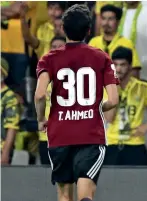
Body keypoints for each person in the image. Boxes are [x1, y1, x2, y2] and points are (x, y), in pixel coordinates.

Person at [34, 4, 119, 201]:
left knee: (64, 195)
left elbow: (39, 95)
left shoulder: (48, 58)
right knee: (86, 194)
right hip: (90, 135)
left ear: (62, 28)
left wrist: (40, 119)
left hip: (59, 134)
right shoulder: (101, 57)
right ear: (89, 31)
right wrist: (97, 107)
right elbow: (113, 100)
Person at [103, 46, 147, 166]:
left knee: (141, 182)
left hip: (135, 144)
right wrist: (115, 90)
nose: (118, 69)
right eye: (115, 65)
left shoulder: (142, 88)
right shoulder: (107, 89)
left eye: (123, 64)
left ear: (130, 66)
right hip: (112, 143)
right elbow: (109, 118)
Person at [38, 36, 66, 165]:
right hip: (46, 136)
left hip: (67, 137)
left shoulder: (76, 74)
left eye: (60, 47)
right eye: (53, 47)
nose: (56, 50)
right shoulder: (43, 74)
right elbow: (39, 98)